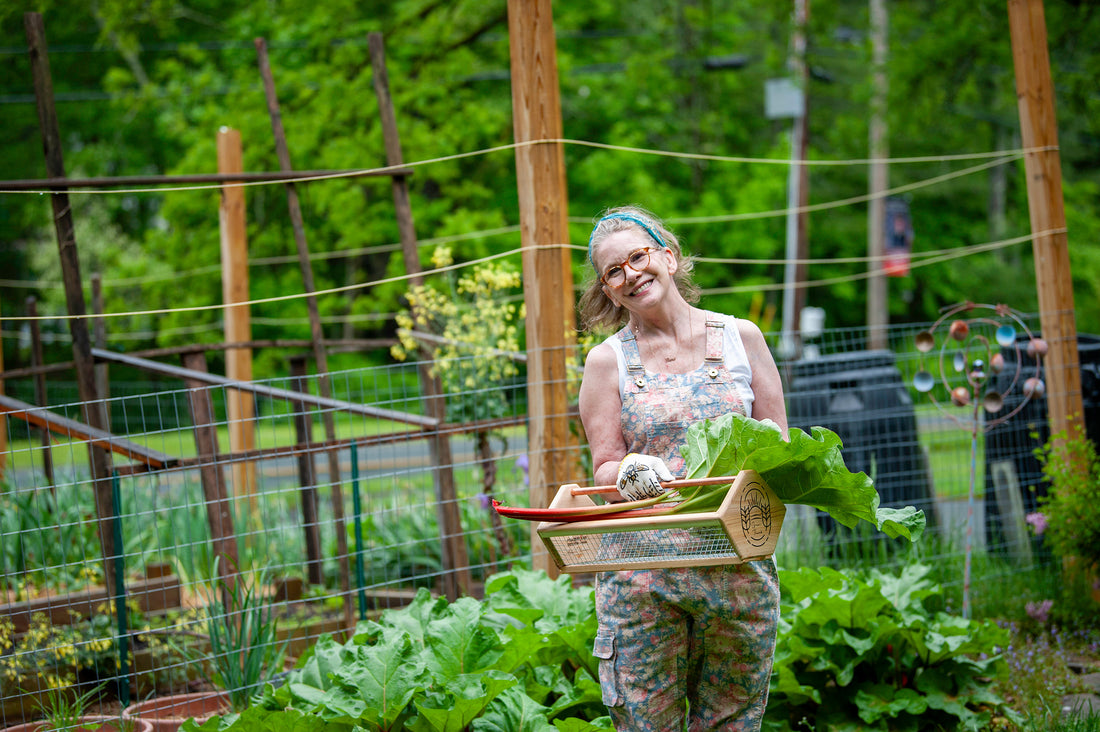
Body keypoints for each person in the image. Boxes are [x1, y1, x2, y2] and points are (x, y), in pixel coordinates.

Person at [577, 205, 789, 732]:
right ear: (608, 289)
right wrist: (626, 472)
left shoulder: (742, 338)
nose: (630, 274)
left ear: (668, 258)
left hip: (737, 570)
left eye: (638, 257)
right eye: (613, 271)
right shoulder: (608, 362)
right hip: (643, 578)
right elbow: (603, 466)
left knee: (733, 723)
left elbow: (781, 447)